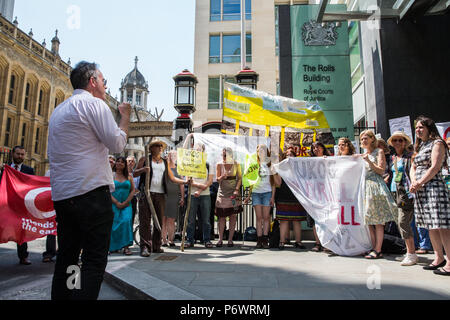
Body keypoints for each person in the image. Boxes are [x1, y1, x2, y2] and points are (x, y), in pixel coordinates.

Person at [48, 61, 131, 300]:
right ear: (93, 82)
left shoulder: (59, 111)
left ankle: (67, 297)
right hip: (91, 194)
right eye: (103, 81)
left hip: (64, 196)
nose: (106, 86)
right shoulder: (95, 105)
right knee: (94, 260)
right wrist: (124, 117)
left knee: (69, 257)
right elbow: (117, 144)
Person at [409, 116, 450, 276]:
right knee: (430, 225)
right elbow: (413, 166)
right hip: (420, 190)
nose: (418, 130)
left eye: (421, 127)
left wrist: (419, 182)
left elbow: (434, 167)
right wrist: (414, 181)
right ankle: (438, 258)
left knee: (442, 226)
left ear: (429, 128)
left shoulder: (437, 143)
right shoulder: (420, 145)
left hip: (434, 188)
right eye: (417, 128)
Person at [134, 139, 187, 257]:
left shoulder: (164, 162)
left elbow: (172, 178)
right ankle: (145, 247)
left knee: (159, 221)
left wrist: (185, 181)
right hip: (146, 193)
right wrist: (143, 169)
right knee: (145, 221)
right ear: (151, 148)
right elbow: (135, 173)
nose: (159, 148)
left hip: (160, 194)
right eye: (157, 146)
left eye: (161, 146)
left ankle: (156, 246)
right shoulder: (145, 159)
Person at [359, 130, 397, 259]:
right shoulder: (363, 154)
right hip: (365, 187)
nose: (363, 141)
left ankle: (378, 249)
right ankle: (374, 247)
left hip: (375, 186)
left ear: (372, 139)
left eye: (365, 138)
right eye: (362, 139)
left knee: (378, 221)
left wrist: (369, 162)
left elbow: (381, 170)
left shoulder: (378, 152)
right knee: (369, 220)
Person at [387, 131, 417, 266]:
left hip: (406, 193)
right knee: (400, 224)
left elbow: (412, 173)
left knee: (403, 222)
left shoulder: (409, 157)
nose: (398, 142)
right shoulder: (393, 157)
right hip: (395, 193)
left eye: (400, 140)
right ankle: (409, 252)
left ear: (405, 142)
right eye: (395, 140)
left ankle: (411, 254)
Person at [0, 146, 34, 265]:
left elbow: (32, 187)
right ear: (12, 154)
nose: (20, 156)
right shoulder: (5, 168)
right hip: (6, 204)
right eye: (18, 154)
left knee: (21, 232)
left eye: (22, 154)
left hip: (21, 206)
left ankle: (23, 257)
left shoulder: (29, 170)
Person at [273, 147, 307, 250]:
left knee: (297, 221)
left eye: (291, 154)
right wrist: (274, 172)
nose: (289, 156)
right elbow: (278, 183)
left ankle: (298, 242)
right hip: (283, 196)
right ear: (284, 157)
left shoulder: (298, 168)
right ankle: (282, 242)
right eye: (287, 155)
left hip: (295, 197)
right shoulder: (280, 168)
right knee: (283, 220)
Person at [244, 145, 275, 249]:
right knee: (259, 217)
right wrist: (249, 195)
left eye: (263, 150)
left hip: (267, 192)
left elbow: (273, 183)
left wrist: (273, 197)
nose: (261, 152)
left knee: (266, 217)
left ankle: (265, 239)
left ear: (267, 152)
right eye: (259, 151)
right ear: (257, 152)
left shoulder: (270, 165)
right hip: (256, 192)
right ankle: (259, 239)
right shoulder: (254, 164)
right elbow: (251, 181)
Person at [185, 143, 214, 248]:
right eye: (196, 150)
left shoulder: (208, 164)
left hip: (205, 195)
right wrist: (198, 186)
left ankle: (207, 240)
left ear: (203, 151)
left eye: (199, 150)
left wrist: (200, 190)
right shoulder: (190, 164)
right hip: (192, 194)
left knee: (206, 220)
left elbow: (210, 181)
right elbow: (188, 180)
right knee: (191, 219)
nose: (198, 152)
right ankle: (189, 240)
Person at [215, 147, 243, 247]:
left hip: (234, 193)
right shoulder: (219, 164)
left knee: (233, 215)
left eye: (226, 155)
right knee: (221, 217)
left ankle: (230, 239)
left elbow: (239, 178)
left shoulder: (236, 164)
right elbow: (217, 179)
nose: (224, 157)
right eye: (223, 155)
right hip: (222, 193)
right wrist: (222, 177)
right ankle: (220, 239)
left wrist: (236, 189)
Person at [308, 142, 331, 252]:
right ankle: (318, 243)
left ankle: (326, 243)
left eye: (318, 147)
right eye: (313, 148)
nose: (316, 149)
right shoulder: (309, 161)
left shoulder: (329, 159)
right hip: (314, 194)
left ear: (322, 148)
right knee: (315, 219)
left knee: (326, 219)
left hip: (326, 194)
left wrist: (327, 161)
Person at [109, 157, 135, 255]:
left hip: (126, 204)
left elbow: (133, 190)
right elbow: (107, 191)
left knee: (126, 221)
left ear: (125, 165)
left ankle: (126, 247)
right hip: (114, 203)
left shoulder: (128, 176)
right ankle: (114, 247)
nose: (120, 163)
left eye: (122, 162)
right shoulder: (111, 175)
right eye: (118, 161)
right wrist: (116, 203)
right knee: (114, 224)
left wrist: (127, 201)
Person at [162, 150, 184, 247]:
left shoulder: (179, 169)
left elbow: (181, 184)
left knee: (171, 219)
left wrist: (182, 197)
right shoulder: (164, 167)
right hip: (164, 195)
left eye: (175, 155)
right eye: (171, 155)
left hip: (174, 196)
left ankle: (171, 239)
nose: (172, 156)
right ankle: (163, 240)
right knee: (163, 219)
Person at [126, 156, 139, 228]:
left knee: (131, 219)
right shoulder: (120, 173)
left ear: (135, 163)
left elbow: (138, 188)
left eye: (132, 161)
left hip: (133, 199)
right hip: (122, 198)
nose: (130, 163)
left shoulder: (136, 174)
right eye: (129, 161)